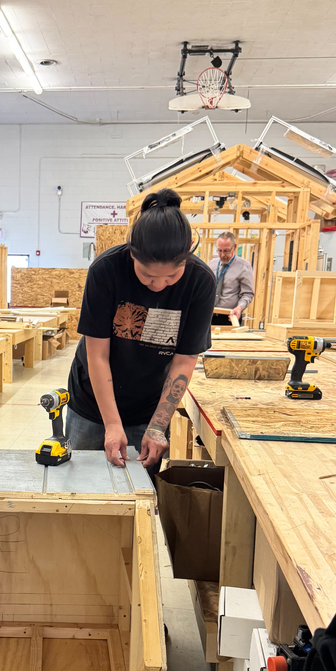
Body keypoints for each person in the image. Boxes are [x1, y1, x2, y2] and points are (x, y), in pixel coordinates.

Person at [66, 188, 215, 468]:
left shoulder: (200, 281)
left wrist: (158, 425)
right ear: (133, 254)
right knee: (78, 484)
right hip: (91, 403)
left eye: (172, 275)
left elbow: (184, 359)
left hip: (148, 406)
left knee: (139, 495)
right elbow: (97, 354)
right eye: (147, 275)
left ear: (187, 257)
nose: (158, 285)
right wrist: (111, 424)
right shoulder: (106, 270)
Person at [208, 231, 254, 325]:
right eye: (219, 251)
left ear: (234, 247)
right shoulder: (211, 265)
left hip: (230, 317)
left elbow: (247, 293)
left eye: (226, 251)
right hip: (209, 315)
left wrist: (239, 308)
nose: (223, 255)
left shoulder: (244, 267)